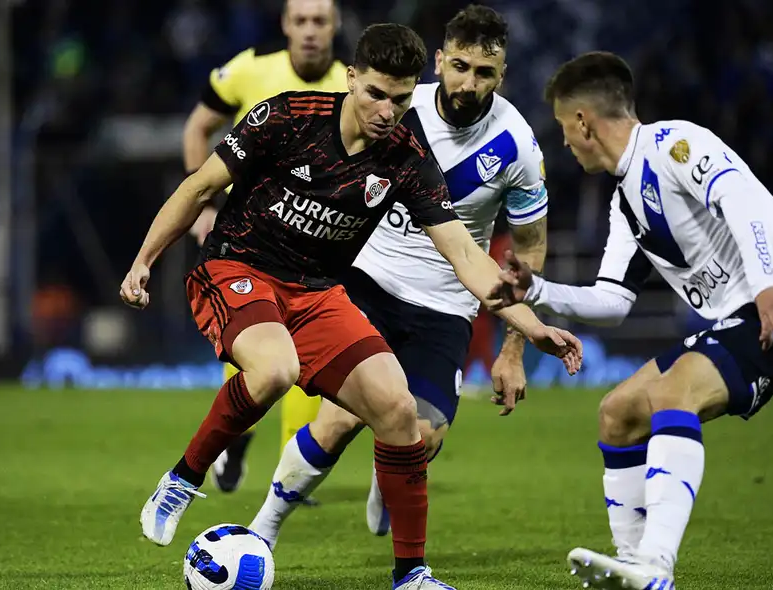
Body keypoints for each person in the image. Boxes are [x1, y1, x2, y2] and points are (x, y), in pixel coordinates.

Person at [120, 24, 581, 589]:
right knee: (276, 370)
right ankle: (184, 479)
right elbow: (196, 189)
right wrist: (144, 260)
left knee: (397, 410)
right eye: (376, 95)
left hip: (316, 291)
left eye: (401, 99)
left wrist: (532, 327)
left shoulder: (407, 158)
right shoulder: (287, 117)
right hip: (239, 267)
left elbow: (465, 251)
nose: (388, 111)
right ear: (351, 79)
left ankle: (410, 576)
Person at [489, 51, 773, 589]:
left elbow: (738, 197)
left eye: (562, 127)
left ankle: (656, 564)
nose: (561, 141)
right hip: (735, 320)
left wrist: (767, 282)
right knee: (618, 412)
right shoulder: (625, 201)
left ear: (583, 122)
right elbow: (613, 301)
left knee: (673, 395)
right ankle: (633, 565)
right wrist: (537, 290)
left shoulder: (677, 144)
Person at [245, 4, 549, 546]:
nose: (468, 83)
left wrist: (513, 350)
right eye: (459, 66)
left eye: (484, 73)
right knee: (340, 420)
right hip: (371, 283)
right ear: (439, 60)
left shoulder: (519, 147)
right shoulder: (396, 111)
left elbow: (529, 248)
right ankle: (263, 528)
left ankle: (389, 477)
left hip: (450, 305)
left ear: (503, 76)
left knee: (423, 435)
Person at [181, 0, 348, 495]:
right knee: (260, 362)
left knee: (309, 362)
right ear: (285, 25)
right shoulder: (250, 69)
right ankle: (238, 439)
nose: (311, 31)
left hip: (318, 248)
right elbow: (197, 127)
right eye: (301, 21)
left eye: (320, 21)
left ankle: (286, 470)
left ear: (336, 27)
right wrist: (204, 205)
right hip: (247, 245)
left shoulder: (353, 84)